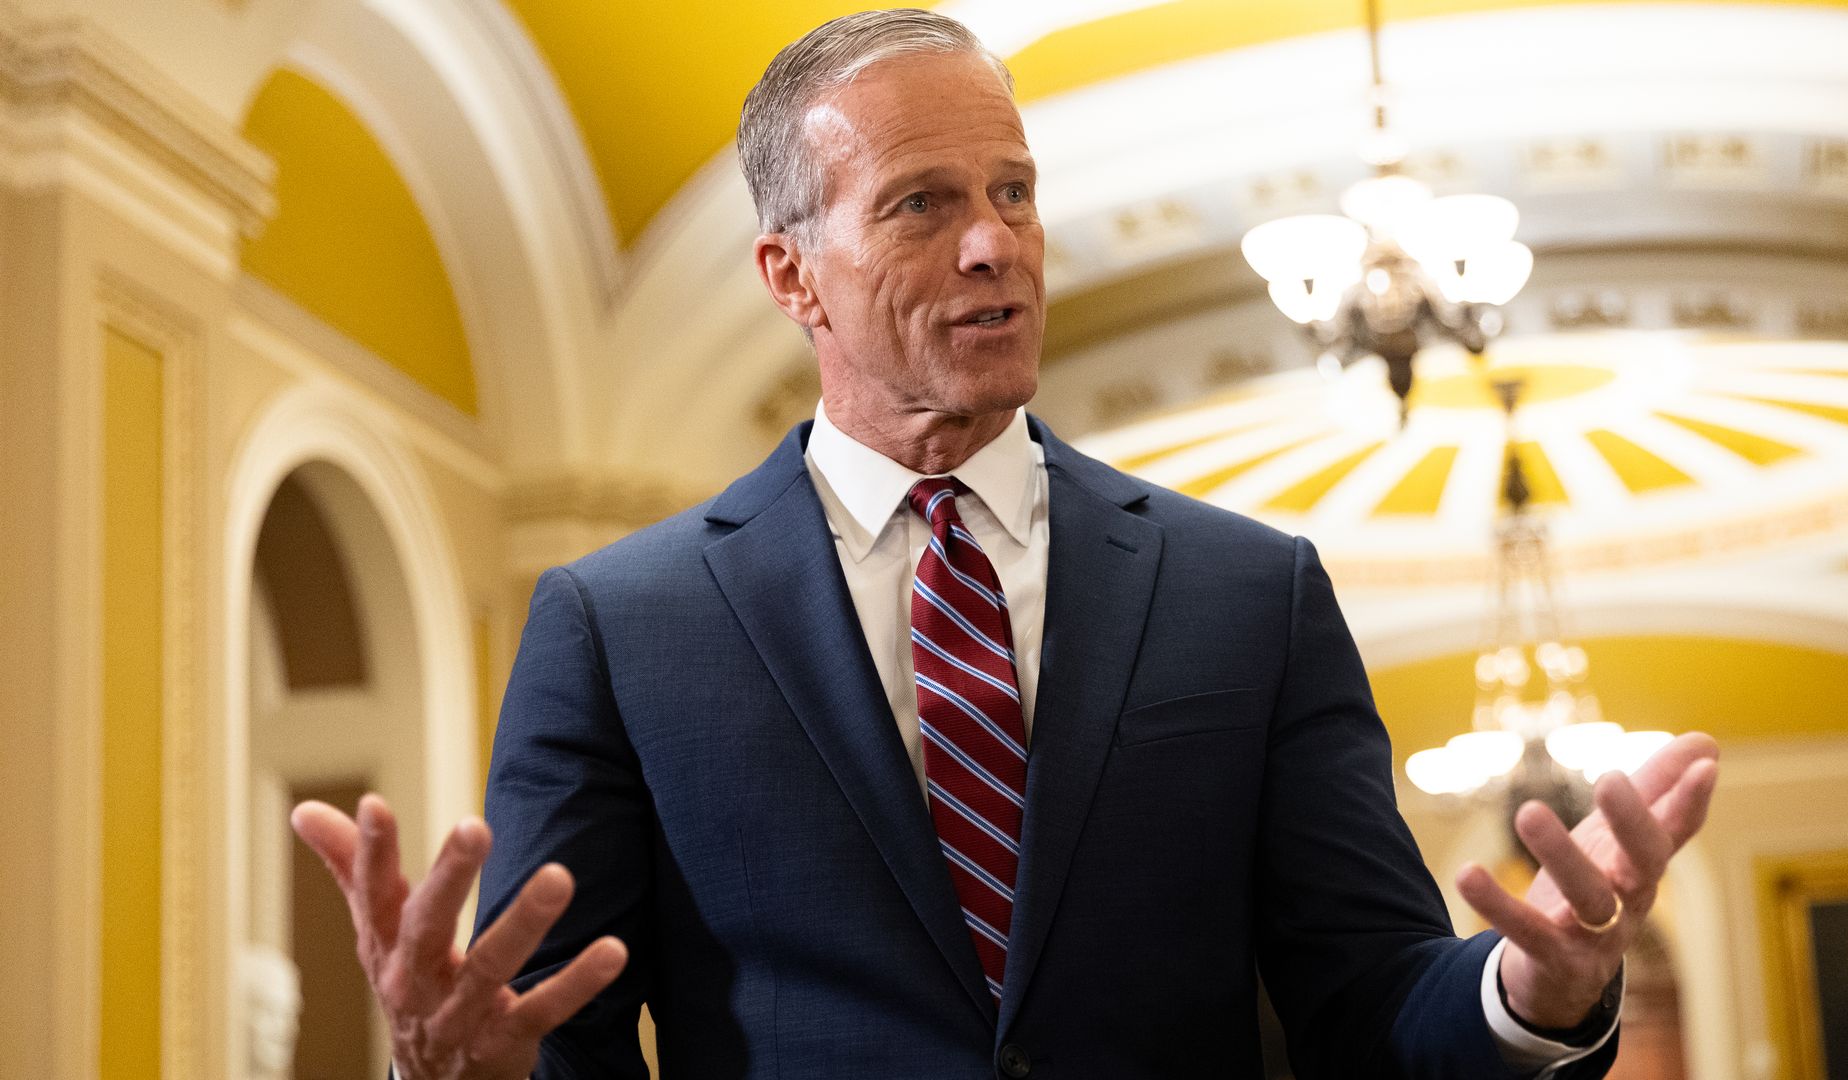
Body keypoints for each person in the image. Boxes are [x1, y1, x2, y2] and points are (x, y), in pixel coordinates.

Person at [290, 10, 1720, 1078]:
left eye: (1015, 193)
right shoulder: (620, 624)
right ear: (792, 274)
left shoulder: (1247, 594)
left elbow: (1366, 1002)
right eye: (924, 203)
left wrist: (1532, 997)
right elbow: (565, 1040)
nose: (996, 246)